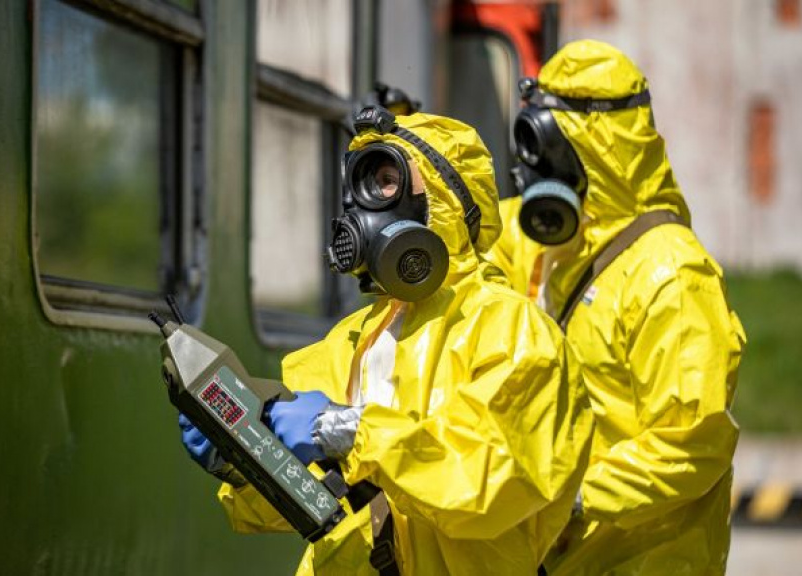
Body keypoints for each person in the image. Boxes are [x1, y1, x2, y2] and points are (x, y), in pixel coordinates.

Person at [180, 106, 594, 575]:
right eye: (364, 183)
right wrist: (243, 458)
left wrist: (350, 433)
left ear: (443, 196)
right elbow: (311, 500)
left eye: (388, 181)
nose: (367, 204)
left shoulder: (513, 331)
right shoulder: (352, 340)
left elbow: (492, 484)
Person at [484, 39, 746, 575]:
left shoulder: (672, 275)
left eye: (544, 149)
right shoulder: (560, 245)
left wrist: (572, 496)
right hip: (566, 556)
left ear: (589, 147)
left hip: (645, 560)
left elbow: (692, 444)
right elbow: (479, 237)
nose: (533, 170)